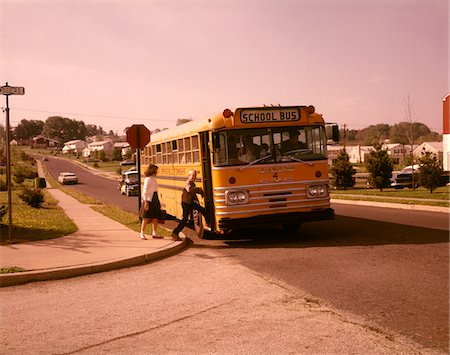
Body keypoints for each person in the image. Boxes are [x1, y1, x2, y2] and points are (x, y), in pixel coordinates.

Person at [171, 169, 208, 240]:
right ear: (189, 176)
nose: (194, 177)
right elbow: (189, 190)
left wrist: (199, 193)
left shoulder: (192, 183)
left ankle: (208, 221)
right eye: (192, 175)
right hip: (186, 203)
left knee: (202, 209)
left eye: (195, 176)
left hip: (190, 202)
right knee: (185, 219)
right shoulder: (188, 182)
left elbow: (193, 194)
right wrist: (199, 190)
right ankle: (175, 233)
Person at [139, 164, 163, 240]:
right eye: (156, 170)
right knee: (146, 217)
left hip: (155, 198)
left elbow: (155, 190)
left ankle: (154, 232)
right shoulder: (148, 179)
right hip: (149, 199)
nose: (157, 172)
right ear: (153, 170)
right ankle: (142, 233)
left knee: (155, 217)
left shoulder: (154, 178)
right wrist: (146, 202)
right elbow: (145, 191)